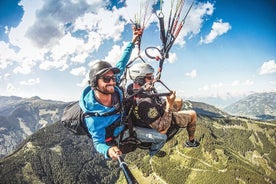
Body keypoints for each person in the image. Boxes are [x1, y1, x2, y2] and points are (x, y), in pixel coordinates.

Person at [78, 27, 167, 160]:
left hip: (128, 119)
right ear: (94, 83)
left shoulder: (113, 86)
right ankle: (152, 153)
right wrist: (108, 151)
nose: (112, 82)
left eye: (113, 78)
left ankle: (150, 146)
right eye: (107, 79)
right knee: (162, 137)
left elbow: (122, 63)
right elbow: (98, 143)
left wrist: (132, 41)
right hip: (122, 133)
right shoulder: (92, 116)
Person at [127, 62, 200, 149]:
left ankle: (177, 119)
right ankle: (191, 141)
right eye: (150, 77)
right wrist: (169, 105)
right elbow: (162, 128)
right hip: (160, 121)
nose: (153, 80)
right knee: (193, 114)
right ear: (140, 80)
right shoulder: (145, 103)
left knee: (179, 101)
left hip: (157, 110)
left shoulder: (132, 90)